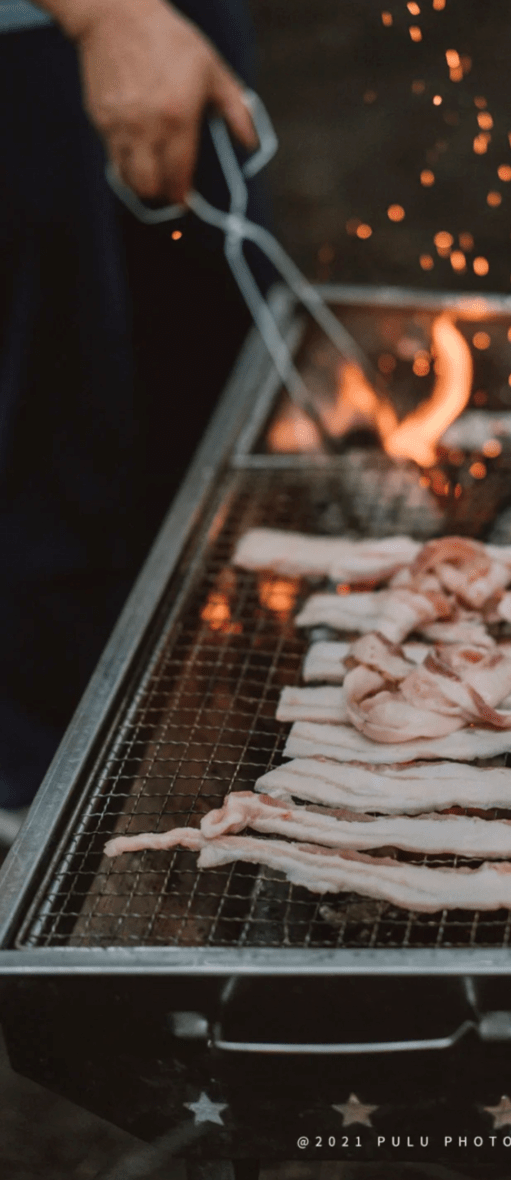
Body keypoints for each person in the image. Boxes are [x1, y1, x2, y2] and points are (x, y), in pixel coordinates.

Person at [0, 0, 269, 821]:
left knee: (202, 399)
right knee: (53, 451)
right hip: (35, 46)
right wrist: (100, 15)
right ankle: (37, 792)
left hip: (177, 27)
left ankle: (195, 716)